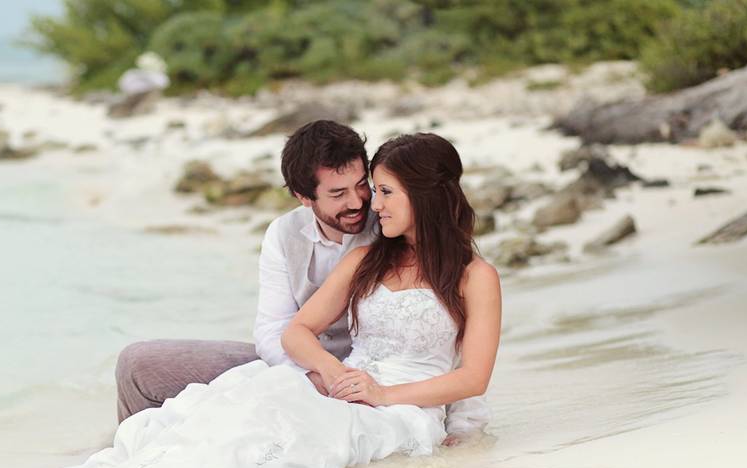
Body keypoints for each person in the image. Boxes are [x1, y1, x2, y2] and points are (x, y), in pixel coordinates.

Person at [0, 132, 501, 468]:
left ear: (422, 197)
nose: (366, 204)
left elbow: (473, 375)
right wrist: (331, 376)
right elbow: (288, 332)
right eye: (353, 192)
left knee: (263, 456)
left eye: (378, 190)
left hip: (397, 399)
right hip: (329, 379)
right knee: (216, 416)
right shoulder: (360, 258)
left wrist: (387, 397)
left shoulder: (475, 276)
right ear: (304, 197)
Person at [116, 119, 489, 439]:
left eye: (365, 185)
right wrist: (319, 377)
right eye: (338, 194)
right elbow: (276, 330)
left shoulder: (393, 225)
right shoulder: (284, 235)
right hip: (309, 366)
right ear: (303, 197)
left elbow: (450, 335)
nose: (362, 202)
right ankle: (134, 463)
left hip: (384, 388)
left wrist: (462, 425)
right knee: (140, 366)